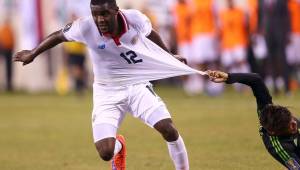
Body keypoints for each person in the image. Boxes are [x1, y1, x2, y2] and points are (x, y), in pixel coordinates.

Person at [13, 0, 192, 169]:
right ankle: (119, 147)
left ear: (116, 10)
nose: (100, 19)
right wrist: (33, 53)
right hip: (106, 91)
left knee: (168, 129)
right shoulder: (85, 26)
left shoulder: (135, 19)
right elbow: (59, 35)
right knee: (106, 152)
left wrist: (169, 56)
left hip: (136, 84)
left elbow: (151, 34)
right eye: (95, 14)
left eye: (104, 14)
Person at [206, 70, 300, 169]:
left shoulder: (268, 110)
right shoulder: (279, 148)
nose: (295, 124)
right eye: (290, 126)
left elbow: (255, 80)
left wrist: (228, 77)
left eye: (291, 120)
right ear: (274, 133)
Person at [0, 16, 15, 91]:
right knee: (6, 68)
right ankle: (5, 84)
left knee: (9, 68)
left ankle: (9, 85)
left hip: (9, 50)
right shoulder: (3, 29)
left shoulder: (9, 29)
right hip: (4, 50)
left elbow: (12, 40)